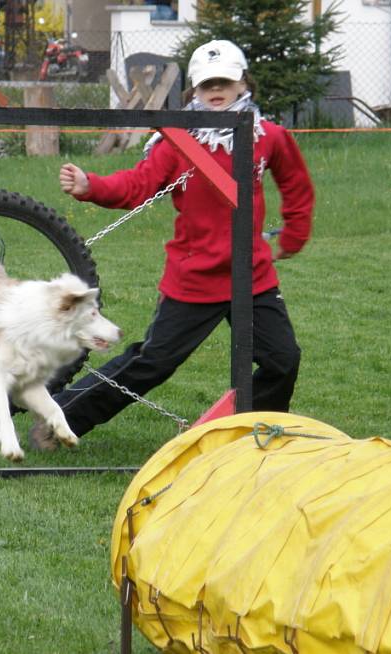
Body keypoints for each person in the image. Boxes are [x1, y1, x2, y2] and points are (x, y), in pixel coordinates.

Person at [29, 39, 314, 451]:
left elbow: (296, 183)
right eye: (206, 84)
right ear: (193, 91)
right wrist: (93, 185)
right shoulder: (177, 143)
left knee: (283, 360)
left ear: (243, 84)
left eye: (225, 82)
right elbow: (137, 184)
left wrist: (293, 235)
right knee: (152, 363)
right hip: (194, 278)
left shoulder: (267, 135)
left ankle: (245, 434)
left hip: (252, 277)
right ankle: (60, 419)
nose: (216, 90)